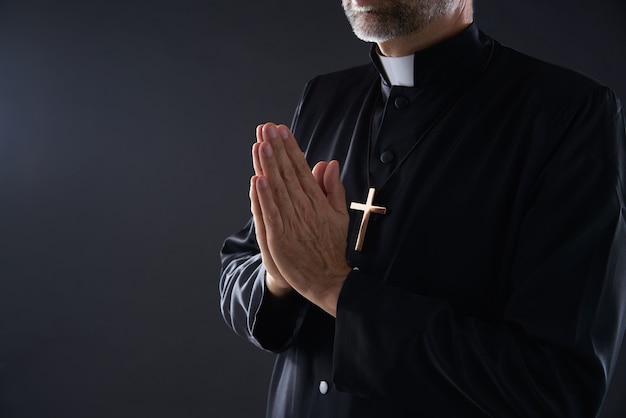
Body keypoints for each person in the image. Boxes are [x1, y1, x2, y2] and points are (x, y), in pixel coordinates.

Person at [219, 0, 626, 416]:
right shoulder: (323, 96)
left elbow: (556, 388)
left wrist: (333, 286)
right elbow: (238, 266)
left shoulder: (568, 115)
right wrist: (280, 276)